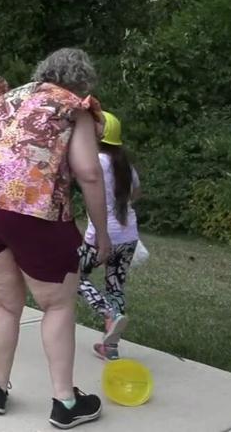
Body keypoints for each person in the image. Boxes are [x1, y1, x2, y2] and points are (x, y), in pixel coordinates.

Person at [0, 49, 110, 429]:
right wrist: (102, 234)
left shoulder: (8, 98)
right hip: (32, 213)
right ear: (82, 81)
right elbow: (89, 172)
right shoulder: (73, 106)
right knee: (56, 305)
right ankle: (66, 401)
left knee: (1, 302)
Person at [77, 110, 141, 361]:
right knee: (115, 286)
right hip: (128, 235)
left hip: (101, 235)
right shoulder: (125, 164)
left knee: (73, 275)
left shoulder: (95, 162)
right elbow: (136, 193)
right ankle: (110, 347)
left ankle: (107, 312)